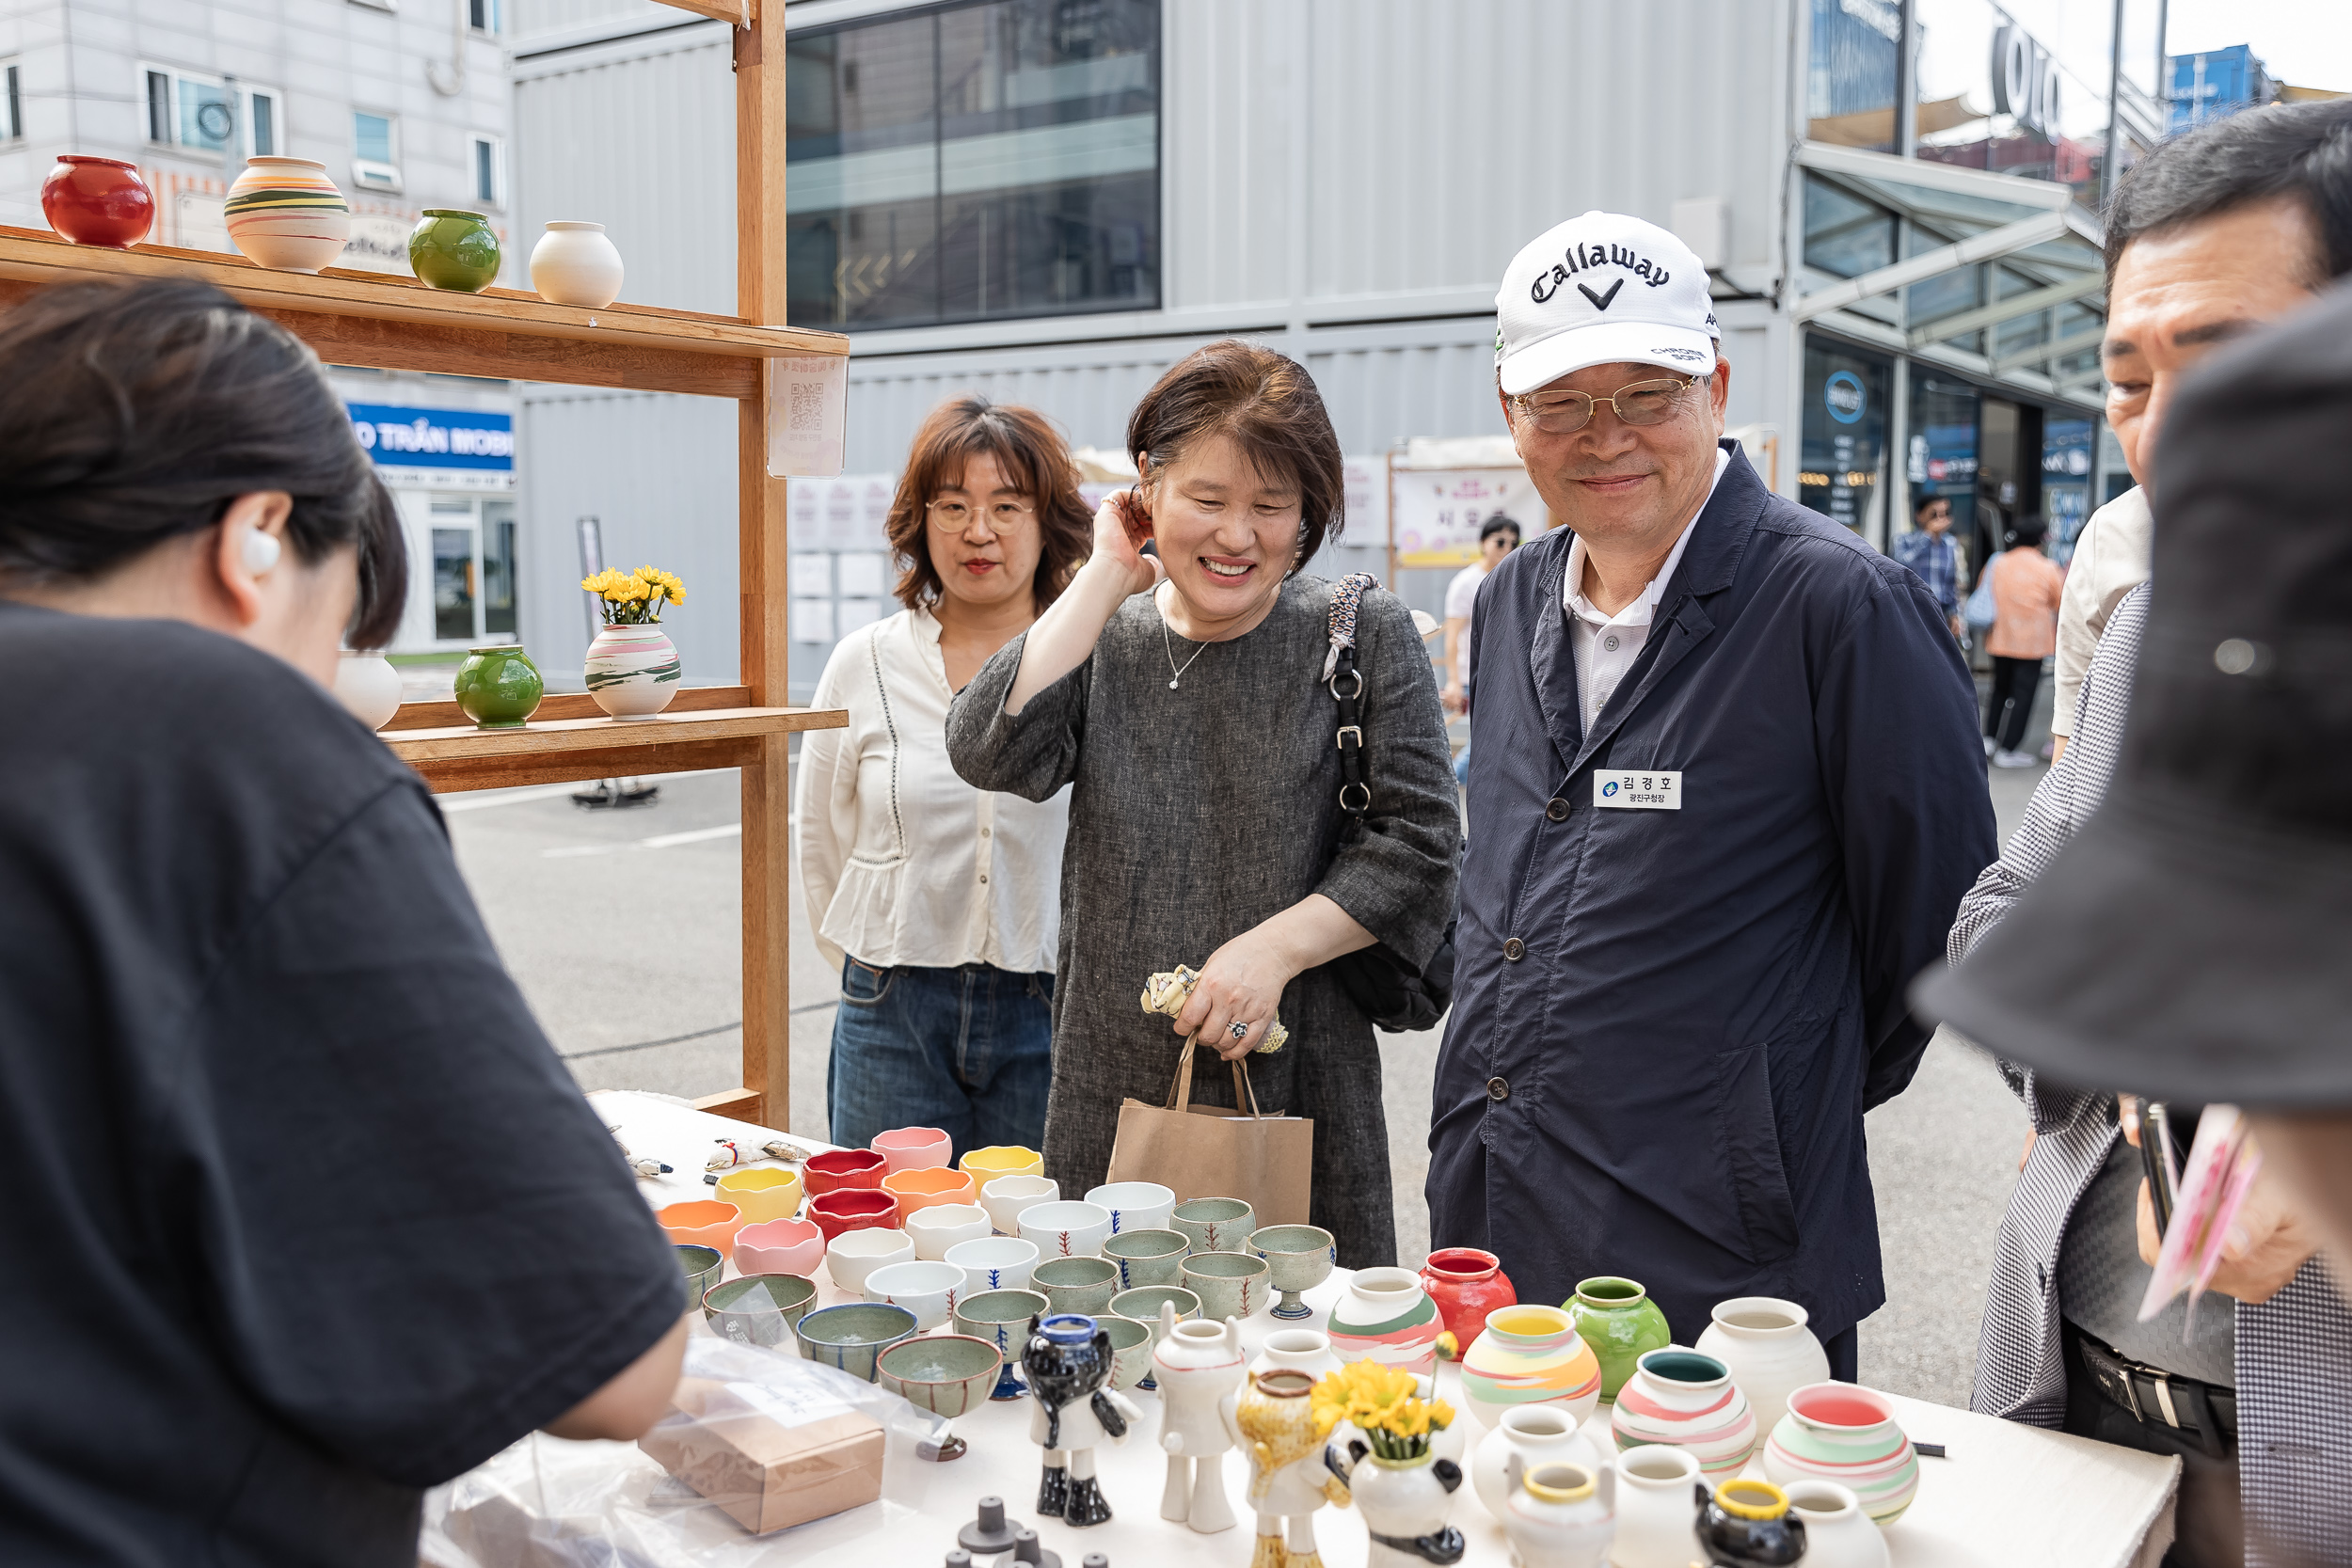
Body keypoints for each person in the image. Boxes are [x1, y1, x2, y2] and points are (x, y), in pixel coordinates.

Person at [0, 280, 686, 1567]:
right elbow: (617, 1360)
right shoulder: (207, 727)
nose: (329, 689)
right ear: (257, 535)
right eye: (335, 633)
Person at [1427, 211, 1996, 1373]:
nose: (1605, 437)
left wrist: (1767, 1104)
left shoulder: (1840, 607)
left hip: (1721, 1249)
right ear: (1508, 413)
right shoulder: (1506, 601)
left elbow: (1932, 927)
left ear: (1716, 386)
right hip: (1495, 1205)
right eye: (1562, 403)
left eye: (1647, 392)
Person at [1930, 103, 2352, 1568]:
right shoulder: (2171, 619)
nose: (2168, 428)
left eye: (2231, 361)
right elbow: (2002, 905)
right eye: (2130, 376)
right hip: (2080, 1411)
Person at [946, 340, 1460, 1266]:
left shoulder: (1358, 631)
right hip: (1110, 1078)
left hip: (1300, 1078)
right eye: (1208, 501)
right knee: (1112, 1335)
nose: (1239, 537)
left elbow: (1420, 842)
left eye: (1273, 507)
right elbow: (987, 747)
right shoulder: (1111, 633)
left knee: (1297, 1352)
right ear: (1147, 487)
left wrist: (1272, 948)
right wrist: (1105, 572)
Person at [796, 396, 1091, 1159]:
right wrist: (880, 955)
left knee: (1037, 1246)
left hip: (1051, 1002)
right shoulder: (864, 661)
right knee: (883, 1237)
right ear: (921, 522)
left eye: (1006, 505)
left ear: (1047, 519)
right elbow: (820, 838)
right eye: (952, 505)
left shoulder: (1098, 660)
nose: (978, 530)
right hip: (892, 1003)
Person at [2051, 99, 2352, 766]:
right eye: (2129, 384)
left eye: (2224, 374)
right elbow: (2054, 837)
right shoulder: (2133, 612)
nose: (2157, 442)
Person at [1980, 515, 2064, 768]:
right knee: (2023, 695)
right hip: (2033, 642)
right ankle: (2008, 748)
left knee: (2000, 689)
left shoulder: (1999, 563)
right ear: (2040, 539)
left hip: (2001, 636)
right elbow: (2058, 599)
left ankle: (1989, 739)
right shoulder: (2047, 566)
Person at [1442, 514, 1519, 784]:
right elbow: (1451, 636)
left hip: (1507, 675)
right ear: (1483, 543)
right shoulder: (1466, 582)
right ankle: (1448, 785)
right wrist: (1453, 681)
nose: (1507, 548)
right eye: (1500, 541)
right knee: (1485, 739)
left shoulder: (1516, 577)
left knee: (1492, 740)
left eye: (1513, 542)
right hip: (1473, 675)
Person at [1891, 493, 1963, 639]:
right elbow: (1901, 566)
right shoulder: (1903, 540)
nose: (1941, 519)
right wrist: (1927, 536)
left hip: (1940, 612)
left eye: (1945, 513)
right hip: (1911, 610)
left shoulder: (1950, 543)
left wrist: (1954, 614)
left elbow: (1950, 583)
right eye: (1934, 514)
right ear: (1919, 516)